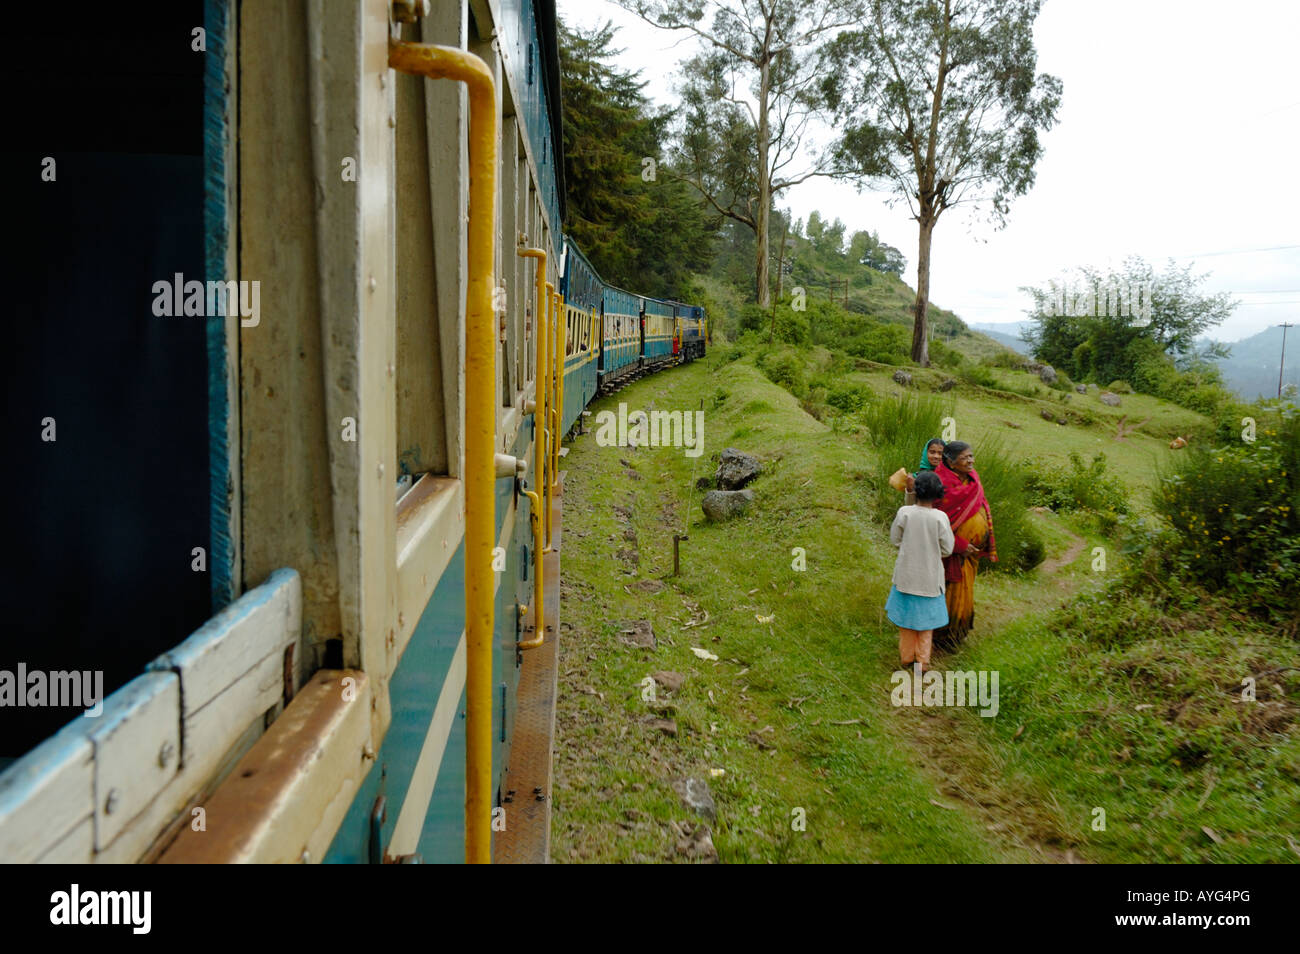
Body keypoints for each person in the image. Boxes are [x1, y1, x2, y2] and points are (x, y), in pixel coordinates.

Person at [886, 470, 955, 673]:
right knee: (926, 624)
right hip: (930, 579)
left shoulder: (904, 513)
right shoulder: (940, 518)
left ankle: (906, 658)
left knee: (906, 622)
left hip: (906, 577)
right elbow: (947, 548)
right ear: (938, 493)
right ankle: (922, 661)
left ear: (915, 490)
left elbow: (895, 540)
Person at [932, 441, 997, 649]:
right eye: (965, 458)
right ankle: (944, 636)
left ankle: (958, 633)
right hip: (950, 553)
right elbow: (936, 522)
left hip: (971, 555)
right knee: (950, 591)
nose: (971, 461)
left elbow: (981, 505)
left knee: (965, 591)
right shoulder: (940, 483)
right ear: (951, 462)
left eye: (971, 456)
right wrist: (959, 545)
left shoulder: (973, 480)